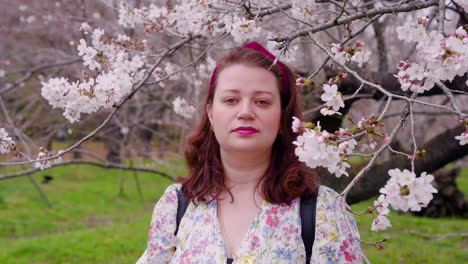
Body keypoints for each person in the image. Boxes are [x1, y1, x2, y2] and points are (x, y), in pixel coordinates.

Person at [136, 42, 363, 264]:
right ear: (211, 113)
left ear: (283, 116)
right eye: (231, 100)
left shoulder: (323, 210)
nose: (245, 112)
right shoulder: (176, 205)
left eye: (262, 102)